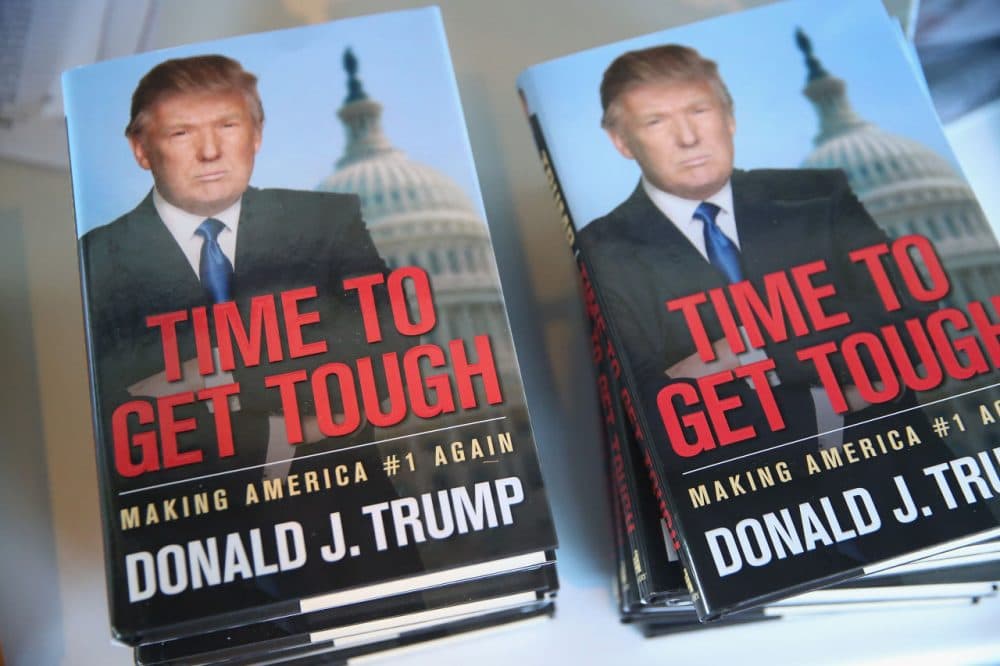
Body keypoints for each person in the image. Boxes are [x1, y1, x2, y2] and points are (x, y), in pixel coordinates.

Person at [578, 44, 926, 464]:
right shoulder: (601, 249)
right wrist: (823, 389)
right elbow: (644, 413)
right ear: (622, 142)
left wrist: (737, 353)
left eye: (700, 111)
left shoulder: (819, 194)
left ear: (730, 117)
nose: (688, 138)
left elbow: (913, 327)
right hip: (733, 496)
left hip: (898, 468)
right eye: (656, 121)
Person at [81, 55, 397, 484]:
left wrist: (217, 375)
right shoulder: (97, 258)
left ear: (257, 135)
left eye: (228, 126)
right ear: (140, 148)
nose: (210, 152)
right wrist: (288, 421)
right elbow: (117, 419)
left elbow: (390, 353)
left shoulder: (327, 221)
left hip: (347, 510)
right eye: (181, 132)